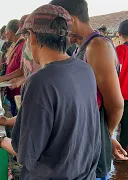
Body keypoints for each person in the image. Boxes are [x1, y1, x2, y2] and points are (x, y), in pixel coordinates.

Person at [0, 5, 101, 179]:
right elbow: (61, 118)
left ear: (33, 37)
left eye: (26, 36)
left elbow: (25, 152)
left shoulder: (39, 81)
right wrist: (9, 121)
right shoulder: (84, 70)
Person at [50, 0, 128, 179]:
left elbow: (116, 104)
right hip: (87, 139)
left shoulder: (97, 46)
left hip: (94, 146)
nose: (57, 32)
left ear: (72, 20)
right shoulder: (80, 47)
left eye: (59, 25)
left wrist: (105, 136)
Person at [0, 19, 26, 116]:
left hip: (18, 90)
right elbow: (7, 64)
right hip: (11, 88)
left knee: (17, 114)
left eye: (6, 33)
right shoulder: (15, 45)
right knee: (13, 110)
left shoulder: (23, 45)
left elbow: (21, 71)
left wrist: (1, 78)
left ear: (10, 32)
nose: (5, 36)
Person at [116, 19, 128, 154]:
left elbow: (114, 70)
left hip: (121, 95)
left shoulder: (121, 50)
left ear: (119, 34)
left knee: (120, 125)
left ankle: (120, 152)